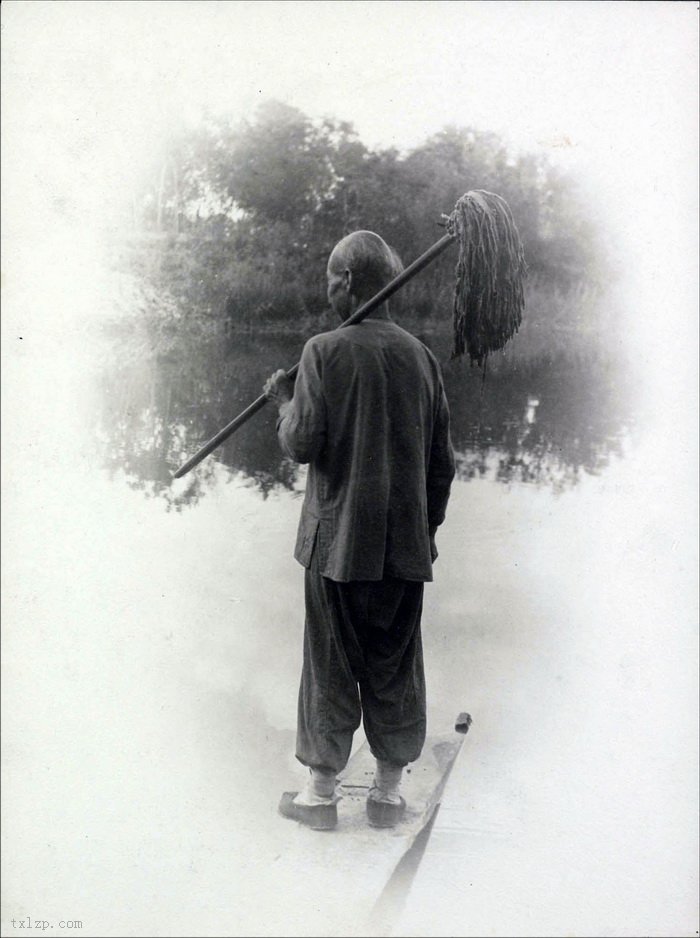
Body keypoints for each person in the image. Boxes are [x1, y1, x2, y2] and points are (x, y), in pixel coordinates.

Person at [263, 230, 455, 831]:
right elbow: (442, 465)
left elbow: (301, 444)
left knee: (328, 663)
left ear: (347, 281)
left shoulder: (323, 351)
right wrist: (422, 532)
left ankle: (321, 798)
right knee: (395, 663)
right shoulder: (422, 357)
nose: (328, 291)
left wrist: (285, 401)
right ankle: (388, 797)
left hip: (334, 546)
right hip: (402, 550)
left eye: (330, 280)